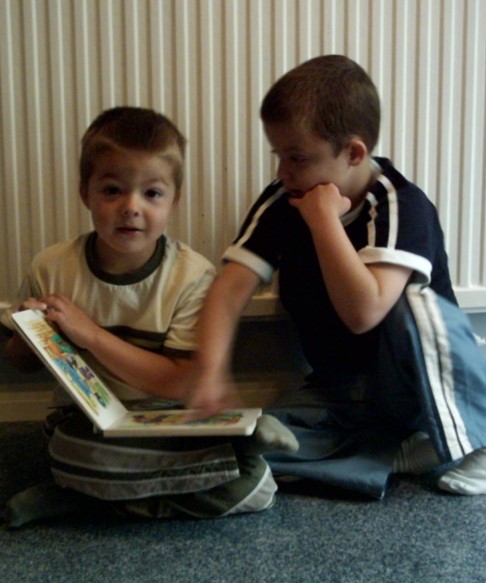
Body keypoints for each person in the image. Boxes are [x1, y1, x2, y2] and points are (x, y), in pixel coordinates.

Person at [188, 55, 486, 499]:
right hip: (340, 394)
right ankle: (395, 455)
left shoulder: (401, 205)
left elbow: (364, 313)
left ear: (353, 153)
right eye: (278, 155)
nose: (281, 172)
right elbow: (230, 289)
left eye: (297, 158)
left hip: (411, 388)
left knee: (414, 302)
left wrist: (324, 222)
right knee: (252, 441)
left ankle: (476, 436)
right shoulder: (283, 200)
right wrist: (210, 372)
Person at [1, 106, 297, 528]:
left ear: (173, 201)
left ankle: (84, 498)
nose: (131, 207)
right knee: (67, 446)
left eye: (151, 194)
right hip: (88, 425)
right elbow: (19, 362)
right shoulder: (51, 266)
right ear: (85, 192)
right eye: (112, 190)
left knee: (256, 488)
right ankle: (216, 463)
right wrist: (32, 333)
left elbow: (180, 381)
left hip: (167, 421)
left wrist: (91, 336)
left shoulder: (192, 276)